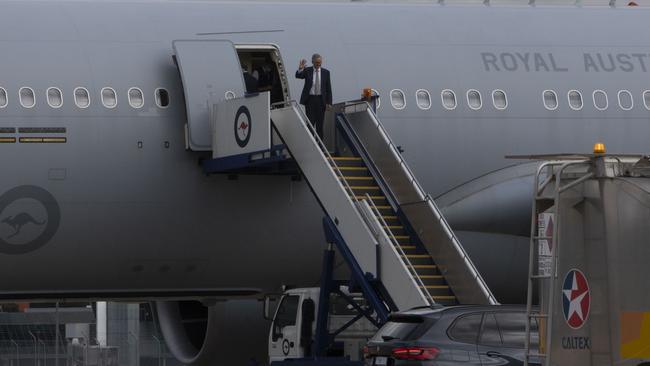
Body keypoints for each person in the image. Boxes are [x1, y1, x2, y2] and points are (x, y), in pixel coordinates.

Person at [295, 53, 332, 138]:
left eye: (320, 62)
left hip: (321, 101)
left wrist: (329, 103)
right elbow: (298, 76)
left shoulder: (326, 72)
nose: (319, 64)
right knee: (310, 124)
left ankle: (320, 147)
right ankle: (311, 145)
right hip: (310, 100)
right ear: (313, 62)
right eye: (317, 63)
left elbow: (328, 89)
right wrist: (300, 69)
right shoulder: (307, 70)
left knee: (320, 125)